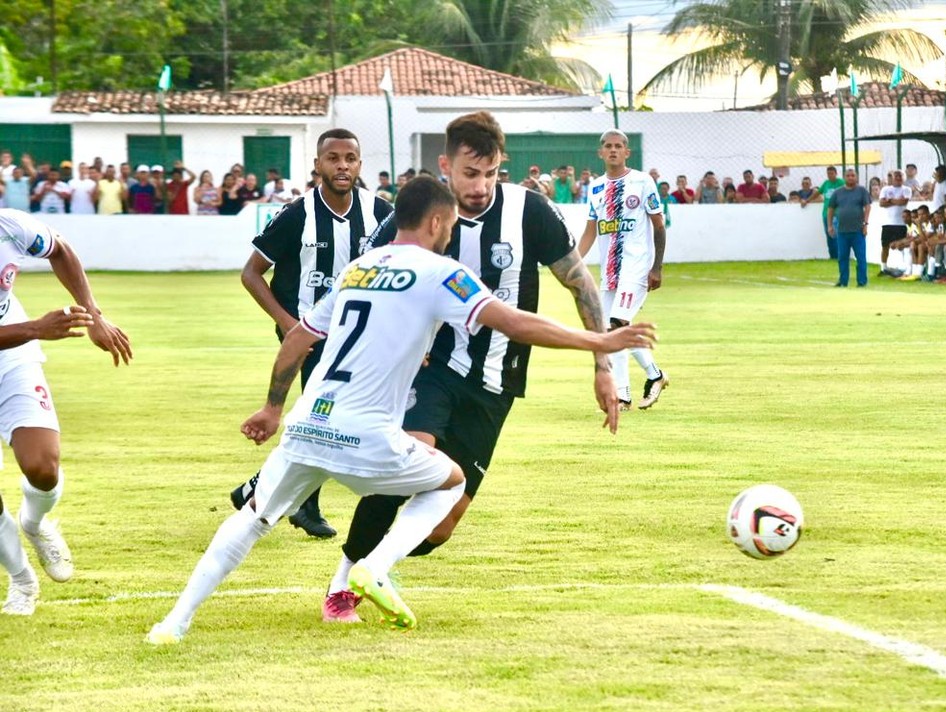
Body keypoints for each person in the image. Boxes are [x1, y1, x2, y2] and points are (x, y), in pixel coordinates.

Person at [146, 177, 652, 643]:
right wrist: (600, 339)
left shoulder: (357, 269)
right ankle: (376, 567)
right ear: (436, 222)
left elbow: (299, 337)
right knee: (450, 482)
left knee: (251, 521)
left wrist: (273, 406)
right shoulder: (442, 274)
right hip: (366, 436)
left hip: (307, 422)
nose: (451, 233)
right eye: (450, 225)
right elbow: (513, 322)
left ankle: (174, 623)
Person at [320, 111, 621, 623]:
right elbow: (371, 278)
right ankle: (344, 585)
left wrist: (603, 364)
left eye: (490, 174)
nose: (480, 187)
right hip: (430, 369)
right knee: (406, 463)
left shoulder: (531, 211)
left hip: (497, 381)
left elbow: (580, 283)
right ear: (446, 165)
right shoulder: (417, 217)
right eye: (469, 174)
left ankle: (378, 564)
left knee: (443, 520)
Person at [229, 128, 393, 539]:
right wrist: (290, 325)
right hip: (309, 333)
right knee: (328, 415)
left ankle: (260, 487)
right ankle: (300, 502)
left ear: (359, 164)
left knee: (330, 417)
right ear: (317, 165)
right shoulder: (297, 214)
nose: (342, 165)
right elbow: (251, 273)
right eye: (333, 158)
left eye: (350, 158)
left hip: (357, 334)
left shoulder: (381, 213)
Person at [0, 208, 132, 616]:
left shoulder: (8, 224)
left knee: (43, 467)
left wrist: (93, 314)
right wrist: (36, 329)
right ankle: (22, 582)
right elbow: (33, 328)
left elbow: (61, 250)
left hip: (12, 362)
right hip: (22, 336)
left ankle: (35, 524)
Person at [577, 129, 668, 412]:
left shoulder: (642, 182)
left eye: (618, 146)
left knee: (616, 325)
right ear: (600, 153)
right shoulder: (595, 187)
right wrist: (572, 264)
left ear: (627, 152)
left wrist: (657, 267)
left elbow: (658, 225)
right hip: (611, 271)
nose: (613, 150)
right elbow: (591, 231)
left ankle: (648, 378)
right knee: (611, 333)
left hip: (637, 267)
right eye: (608, 146)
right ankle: (631, 392)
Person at [827, 168, 871, 287]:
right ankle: (843, 281)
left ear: (856, 177)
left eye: (853, 175)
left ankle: (862, 281)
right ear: (844, 177)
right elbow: (830, 209)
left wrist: (865, 224)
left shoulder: (862, 191)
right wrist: (830, 225)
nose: (850, 177)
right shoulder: (837, 192)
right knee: (842, 257)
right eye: (848, 175)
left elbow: (867, 207)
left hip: (858, 230)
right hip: (842, 230)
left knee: (861, 257)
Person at [877, 170, 912, 276]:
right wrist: (895, 201)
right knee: (885, 246)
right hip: (887, 222)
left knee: (901, 246)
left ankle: (903, 267)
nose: (898, 178)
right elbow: (882, 203)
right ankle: (884, 268)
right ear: (892, 177)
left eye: (900, 176)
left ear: (904, 178)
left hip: (901, 223)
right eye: (896, 176)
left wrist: (890, 200)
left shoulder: (907, 189)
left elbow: (904, 202)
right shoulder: (885, 189)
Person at [814, 166, 846, 259]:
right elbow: (818, 192)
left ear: (836, 173)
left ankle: (839, 255)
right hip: (826, 213)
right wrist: (807, 200)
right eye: (828, 174)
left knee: (836, 235)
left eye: (832, 173)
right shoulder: (826, 183)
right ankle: (832, 256)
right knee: (829, 235)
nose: (830, 175)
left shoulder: (841, 182)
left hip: (837, 213)